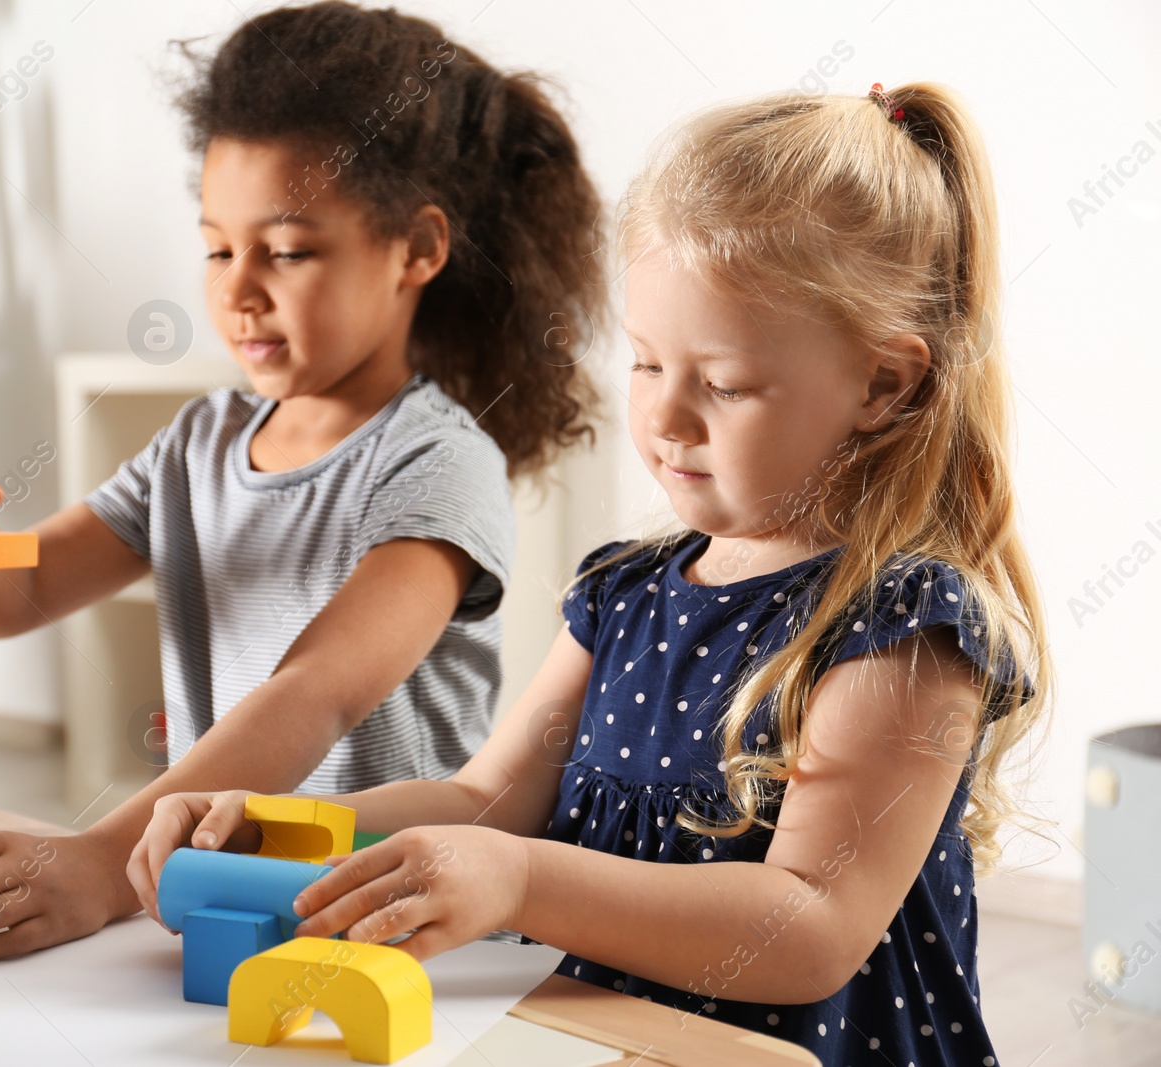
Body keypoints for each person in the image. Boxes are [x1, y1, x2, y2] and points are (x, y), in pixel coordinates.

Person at [130, 82, 1051, 1066]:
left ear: (881, 382)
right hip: (599, 1037)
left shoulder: (903, 625)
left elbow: (808, 923)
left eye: (723, 382)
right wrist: (286, 829)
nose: (663, 417)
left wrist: (522, 880)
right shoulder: (624, 592)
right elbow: (487, 803)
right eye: (649, 364)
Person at [0, 1, 606, 959]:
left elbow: (318, 692)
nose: (237, 289)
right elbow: (16, 591)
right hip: (208, 882)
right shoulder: (197, 443)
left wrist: (102, 862)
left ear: (418, 250)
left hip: (379, 909)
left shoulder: (439, 463)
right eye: (218, 247)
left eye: (290, 251)